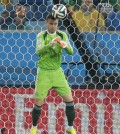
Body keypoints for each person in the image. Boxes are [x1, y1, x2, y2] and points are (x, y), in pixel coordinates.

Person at [30, 13, 76, 134]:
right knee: (38, 104)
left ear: (58, 24)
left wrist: (65, 45)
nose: (53, 26)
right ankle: (34, 127)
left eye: (55, 24)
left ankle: (70, 128)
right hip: (44, 72)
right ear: (46, 23)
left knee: (70, 101)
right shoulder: (42, 35)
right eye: (51, 24)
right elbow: (38, 51)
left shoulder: (62, 35)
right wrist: (49, 45)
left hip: (57, 72)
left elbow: (71, 52)